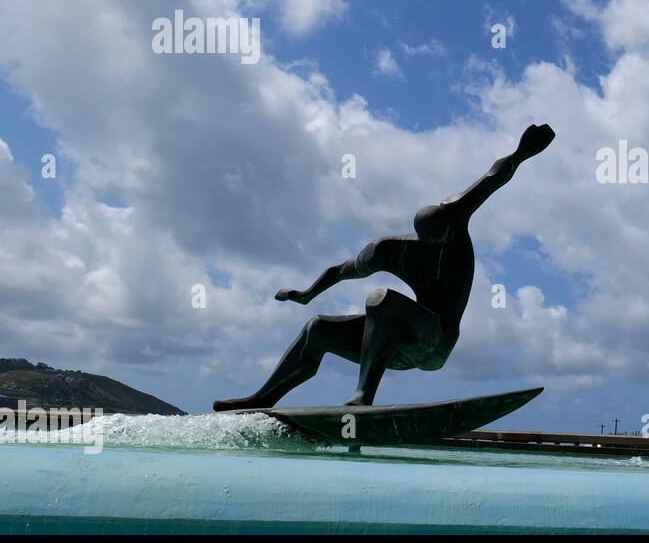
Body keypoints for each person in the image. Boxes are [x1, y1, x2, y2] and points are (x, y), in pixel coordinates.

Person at [213, 123, 556, 411]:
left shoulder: (456, 213)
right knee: (317, 328)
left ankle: (363, 397)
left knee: (382, 300)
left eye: (445, 237)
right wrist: (305, 295)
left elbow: (493, 177)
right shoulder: (388, 250)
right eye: (432, 240)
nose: (441, 244)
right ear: (419, 236)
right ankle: (263, 400)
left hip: (435, 343)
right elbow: (340, 270)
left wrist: (521, 153)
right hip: (398, 345)